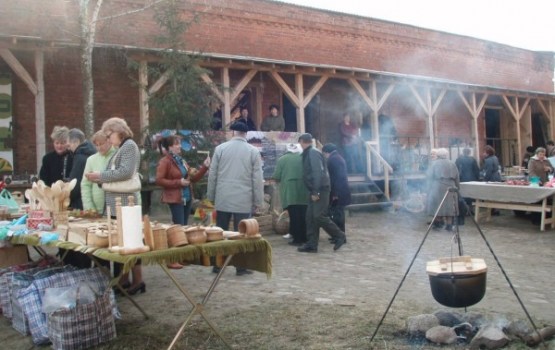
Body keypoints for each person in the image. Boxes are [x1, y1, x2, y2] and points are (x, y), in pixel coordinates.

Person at [85, 117, 144, 295]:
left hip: (125, 203)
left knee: (130, 242)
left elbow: (125, 172)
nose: (109, 139)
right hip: (118, 203)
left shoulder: (129, 146)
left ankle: (138, 280)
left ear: (119, 131)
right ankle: (125, 279)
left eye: (109, 135)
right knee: (123, 243)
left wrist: (100, 176)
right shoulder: (123, 148)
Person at [207, 121, 264, 275]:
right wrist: (258, 201)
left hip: (223, 197)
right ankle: (241, 266)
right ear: (246, 134)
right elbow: (257, 179)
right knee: (242, 234)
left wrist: (211, 197)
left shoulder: (220, 149)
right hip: (243, 199)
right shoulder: (253, 151)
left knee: (221, 232)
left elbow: (213, 175)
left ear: (232, 133)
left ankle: (218, 264)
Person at [156, 135, 210, 269]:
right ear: (169, 147)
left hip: (186, 197)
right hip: (175, 198)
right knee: (177, 228)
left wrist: (204, 167)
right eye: (176, 144)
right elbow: (159, 180)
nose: (179, 146)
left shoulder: (182, 161)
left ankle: (181, 256)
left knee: (184, 227)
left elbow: (194, 178)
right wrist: (178, 182)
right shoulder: (165, 161)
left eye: (179, 143)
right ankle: (172, 258)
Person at [297, 133, 346, 253]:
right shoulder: (310, 152)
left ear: (303, 142)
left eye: (300, 143)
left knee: (319, 216)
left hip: (320, 189)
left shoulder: (313, 152)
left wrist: (316, 191)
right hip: (315, 189)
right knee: (310, 217)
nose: (300, 145)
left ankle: (339, 235)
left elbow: (317, 172)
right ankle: (311, 244)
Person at [272, 143, 309, 246]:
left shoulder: (282, 159)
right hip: (304, 190)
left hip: (290, 191)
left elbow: (277, 176)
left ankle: (297, 239)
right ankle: (305, 237)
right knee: (303, 214)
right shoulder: (304, 157)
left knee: (294, 215)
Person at [81, 131, 116, 214]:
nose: (99, 147)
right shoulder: (91, 160)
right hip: (96, 209)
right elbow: (85, 185)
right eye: (96, 145)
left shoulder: (117, 156)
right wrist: (89, 207)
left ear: (109, 141)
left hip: (115, 206)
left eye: (101, 144)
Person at [322, 143, 351, 239]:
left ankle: (339, 235)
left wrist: (335, 193)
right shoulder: (338, 157)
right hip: (342, 190)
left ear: (327, 152)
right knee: (338, 214)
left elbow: (336, 178)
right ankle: (339, 234)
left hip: (338, 191)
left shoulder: (333, 159)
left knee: (337, 215)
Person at [426, 148, 460, 231]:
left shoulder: (434, 164)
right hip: (451, 186)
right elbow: (457, 177)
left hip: (438, 186)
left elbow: (429, 177)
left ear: (438, 155)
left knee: (437, 205)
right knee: (450, 207)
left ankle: (438, 224)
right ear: (446, 155)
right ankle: (449, 225)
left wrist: (428, 189)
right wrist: (457, 188)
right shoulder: (452, 164)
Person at [67, 128, 96, 210]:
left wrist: (68, 196)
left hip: (80, 202)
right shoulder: (91, 152)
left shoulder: (80, 157)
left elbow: (75, 183)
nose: (68, 149)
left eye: (69, 145)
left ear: (76, 142)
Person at [455, 148, 480, 222]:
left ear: (463, 152)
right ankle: (470, 210)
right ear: (469, 153)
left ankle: (464, 210)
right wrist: (477, 179)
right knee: (471, 195)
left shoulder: (459, 159)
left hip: (462, 180)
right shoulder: (472, 159)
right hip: (472, 179)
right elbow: (476, 170)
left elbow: (456, 169)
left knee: (463, 195)